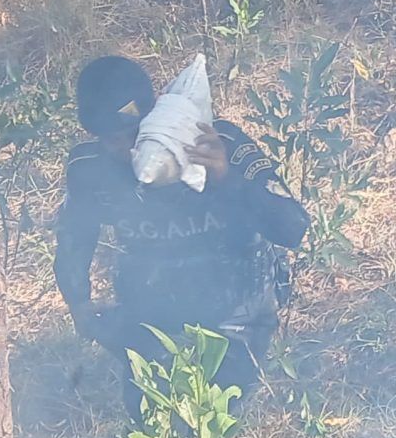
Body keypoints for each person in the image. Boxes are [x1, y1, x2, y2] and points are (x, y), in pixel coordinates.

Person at [53, 54, 310, 418]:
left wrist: (226, 179)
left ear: (155, 112)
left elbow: (293, 228)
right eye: (114, 140)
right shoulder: (90, 169)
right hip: (151, 307)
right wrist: (78, 303)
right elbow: (75, 239)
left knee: (219, 417)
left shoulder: (217, 143)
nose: (130, 151)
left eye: (135, 133)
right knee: (149, 423)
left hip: (236, 306)